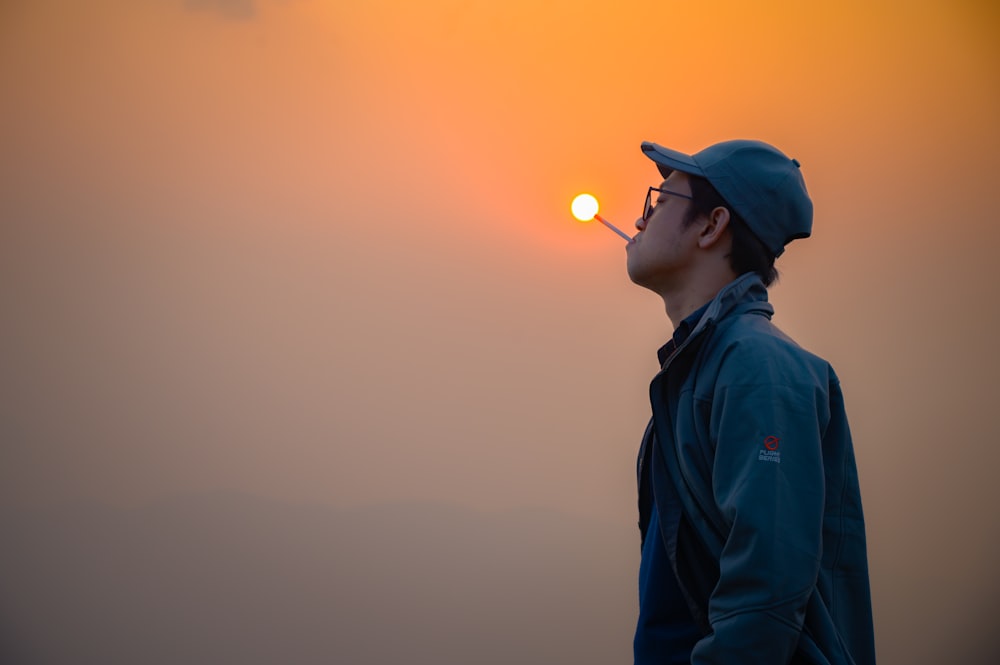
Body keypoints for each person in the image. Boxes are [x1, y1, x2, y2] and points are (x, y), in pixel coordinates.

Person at [627, 139, 876, 665]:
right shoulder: (703, 365)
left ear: (712, 225)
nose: (640, 218)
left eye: (660, 201)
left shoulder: (758, 369)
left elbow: (765, 592)